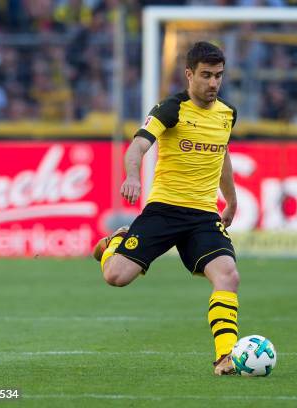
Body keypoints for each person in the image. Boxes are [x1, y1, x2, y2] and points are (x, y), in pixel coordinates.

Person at [92, 41, 239, 375]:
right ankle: (115, 242)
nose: (213, 83)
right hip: (164, 210)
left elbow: (222, 157)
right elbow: (137, 146)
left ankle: (225, 357)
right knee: (116, 276)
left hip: (203, 215)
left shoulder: (227, 113)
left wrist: (230, 199)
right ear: (189, 74)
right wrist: (132, 176)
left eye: (218, 76)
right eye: (206, 75)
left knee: (228, 275)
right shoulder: (170, 108)